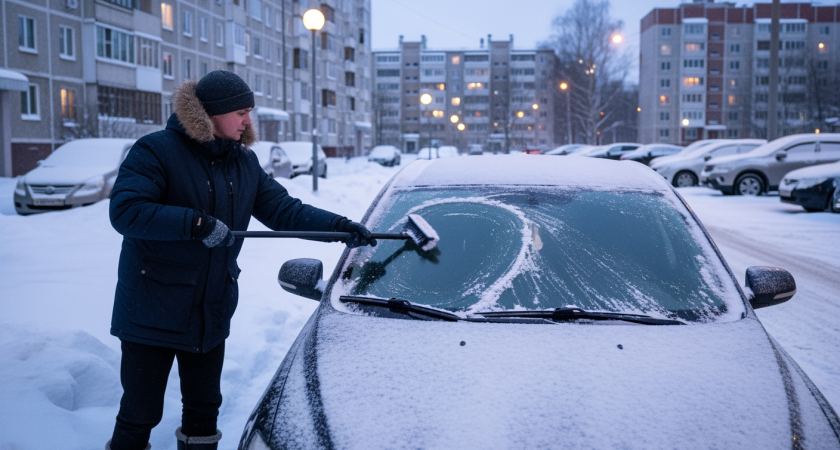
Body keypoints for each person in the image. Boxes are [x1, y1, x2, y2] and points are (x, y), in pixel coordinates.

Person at [106, 70, 375, 450]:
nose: (249, 121)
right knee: (140, 411)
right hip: (152, 309)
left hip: (209, 310)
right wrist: (196, 223)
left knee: (203, 410)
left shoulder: (243, 163)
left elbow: (284, 210)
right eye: (241, 112)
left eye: (249, 111)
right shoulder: (156, 150)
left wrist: (339, 227)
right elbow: (127, 211)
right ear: (211, 114)